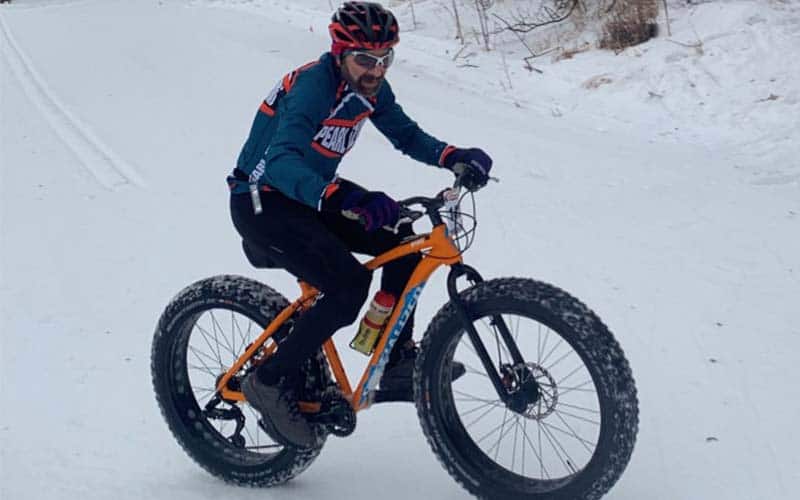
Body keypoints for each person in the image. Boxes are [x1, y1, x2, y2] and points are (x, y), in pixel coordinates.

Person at [228, 1, 492, 447]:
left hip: (310, 193)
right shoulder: (313, 87)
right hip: (263, 200)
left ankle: (395, 361)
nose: (376, 69)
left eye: (386, 58)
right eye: (365, 59)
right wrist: (342, 197)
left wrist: (452, 156)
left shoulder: (370, 88)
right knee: (347, 286)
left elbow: (406, 135)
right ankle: (267, 382)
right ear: (340, 53)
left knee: (403, 240)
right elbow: (280, 162)